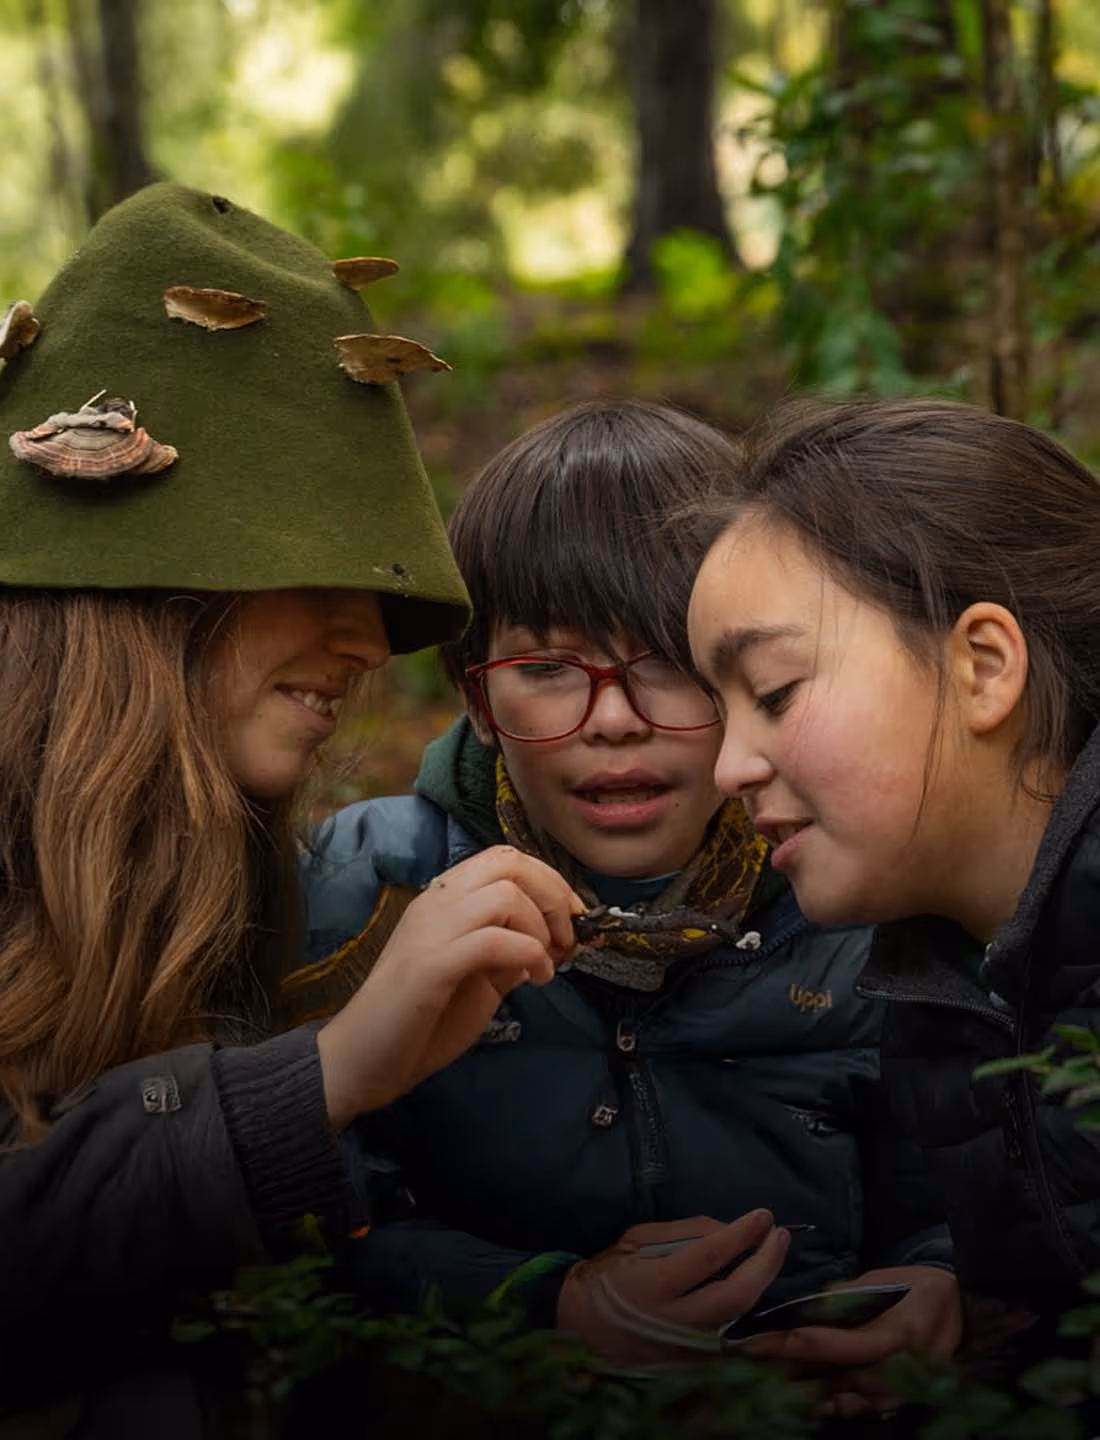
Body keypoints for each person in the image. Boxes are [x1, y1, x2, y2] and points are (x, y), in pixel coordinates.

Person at [0, 181, 582, 1436]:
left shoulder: (229, 854)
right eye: (313, 570)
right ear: (141, 582)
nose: (370, 639)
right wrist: (320, 1079)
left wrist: (558, 1322)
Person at [302, 399, 958, 1373]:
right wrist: (544, 1307)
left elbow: (966, 1189)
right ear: (478, 698)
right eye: (549, 667)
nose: (612, 722)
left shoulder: (859, 892)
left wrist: (940, 1285)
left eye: (665, 663)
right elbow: (302, 1230)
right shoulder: (367, 890)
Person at [685, 394, 1100, 1361]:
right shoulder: (940, 973)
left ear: (984, 667)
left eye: (775, 693)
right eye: (720, 709)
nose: (728, 769)